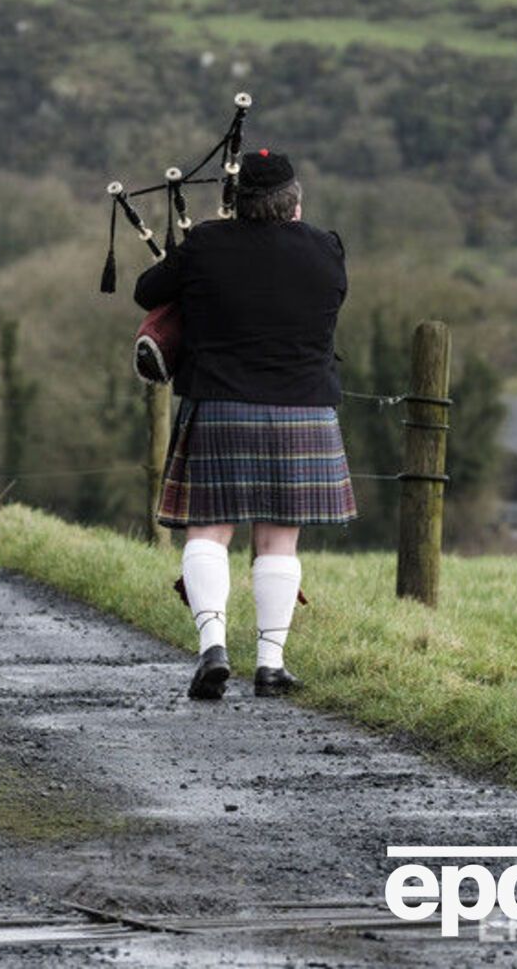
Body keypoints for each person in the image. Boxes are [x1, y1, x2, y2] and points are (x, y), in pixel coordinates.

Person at [133, 149, 356, 701]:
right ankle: (271, 664)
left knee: (208, 529)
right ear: (295, 202)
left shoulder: (207, 244)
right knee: (280, 536)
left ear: (236, 202)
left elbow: (146, 291)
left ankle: (213, 647)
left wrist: (202, 256)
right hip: (303, 409)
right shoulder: (328, 250)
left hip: (221, 406)